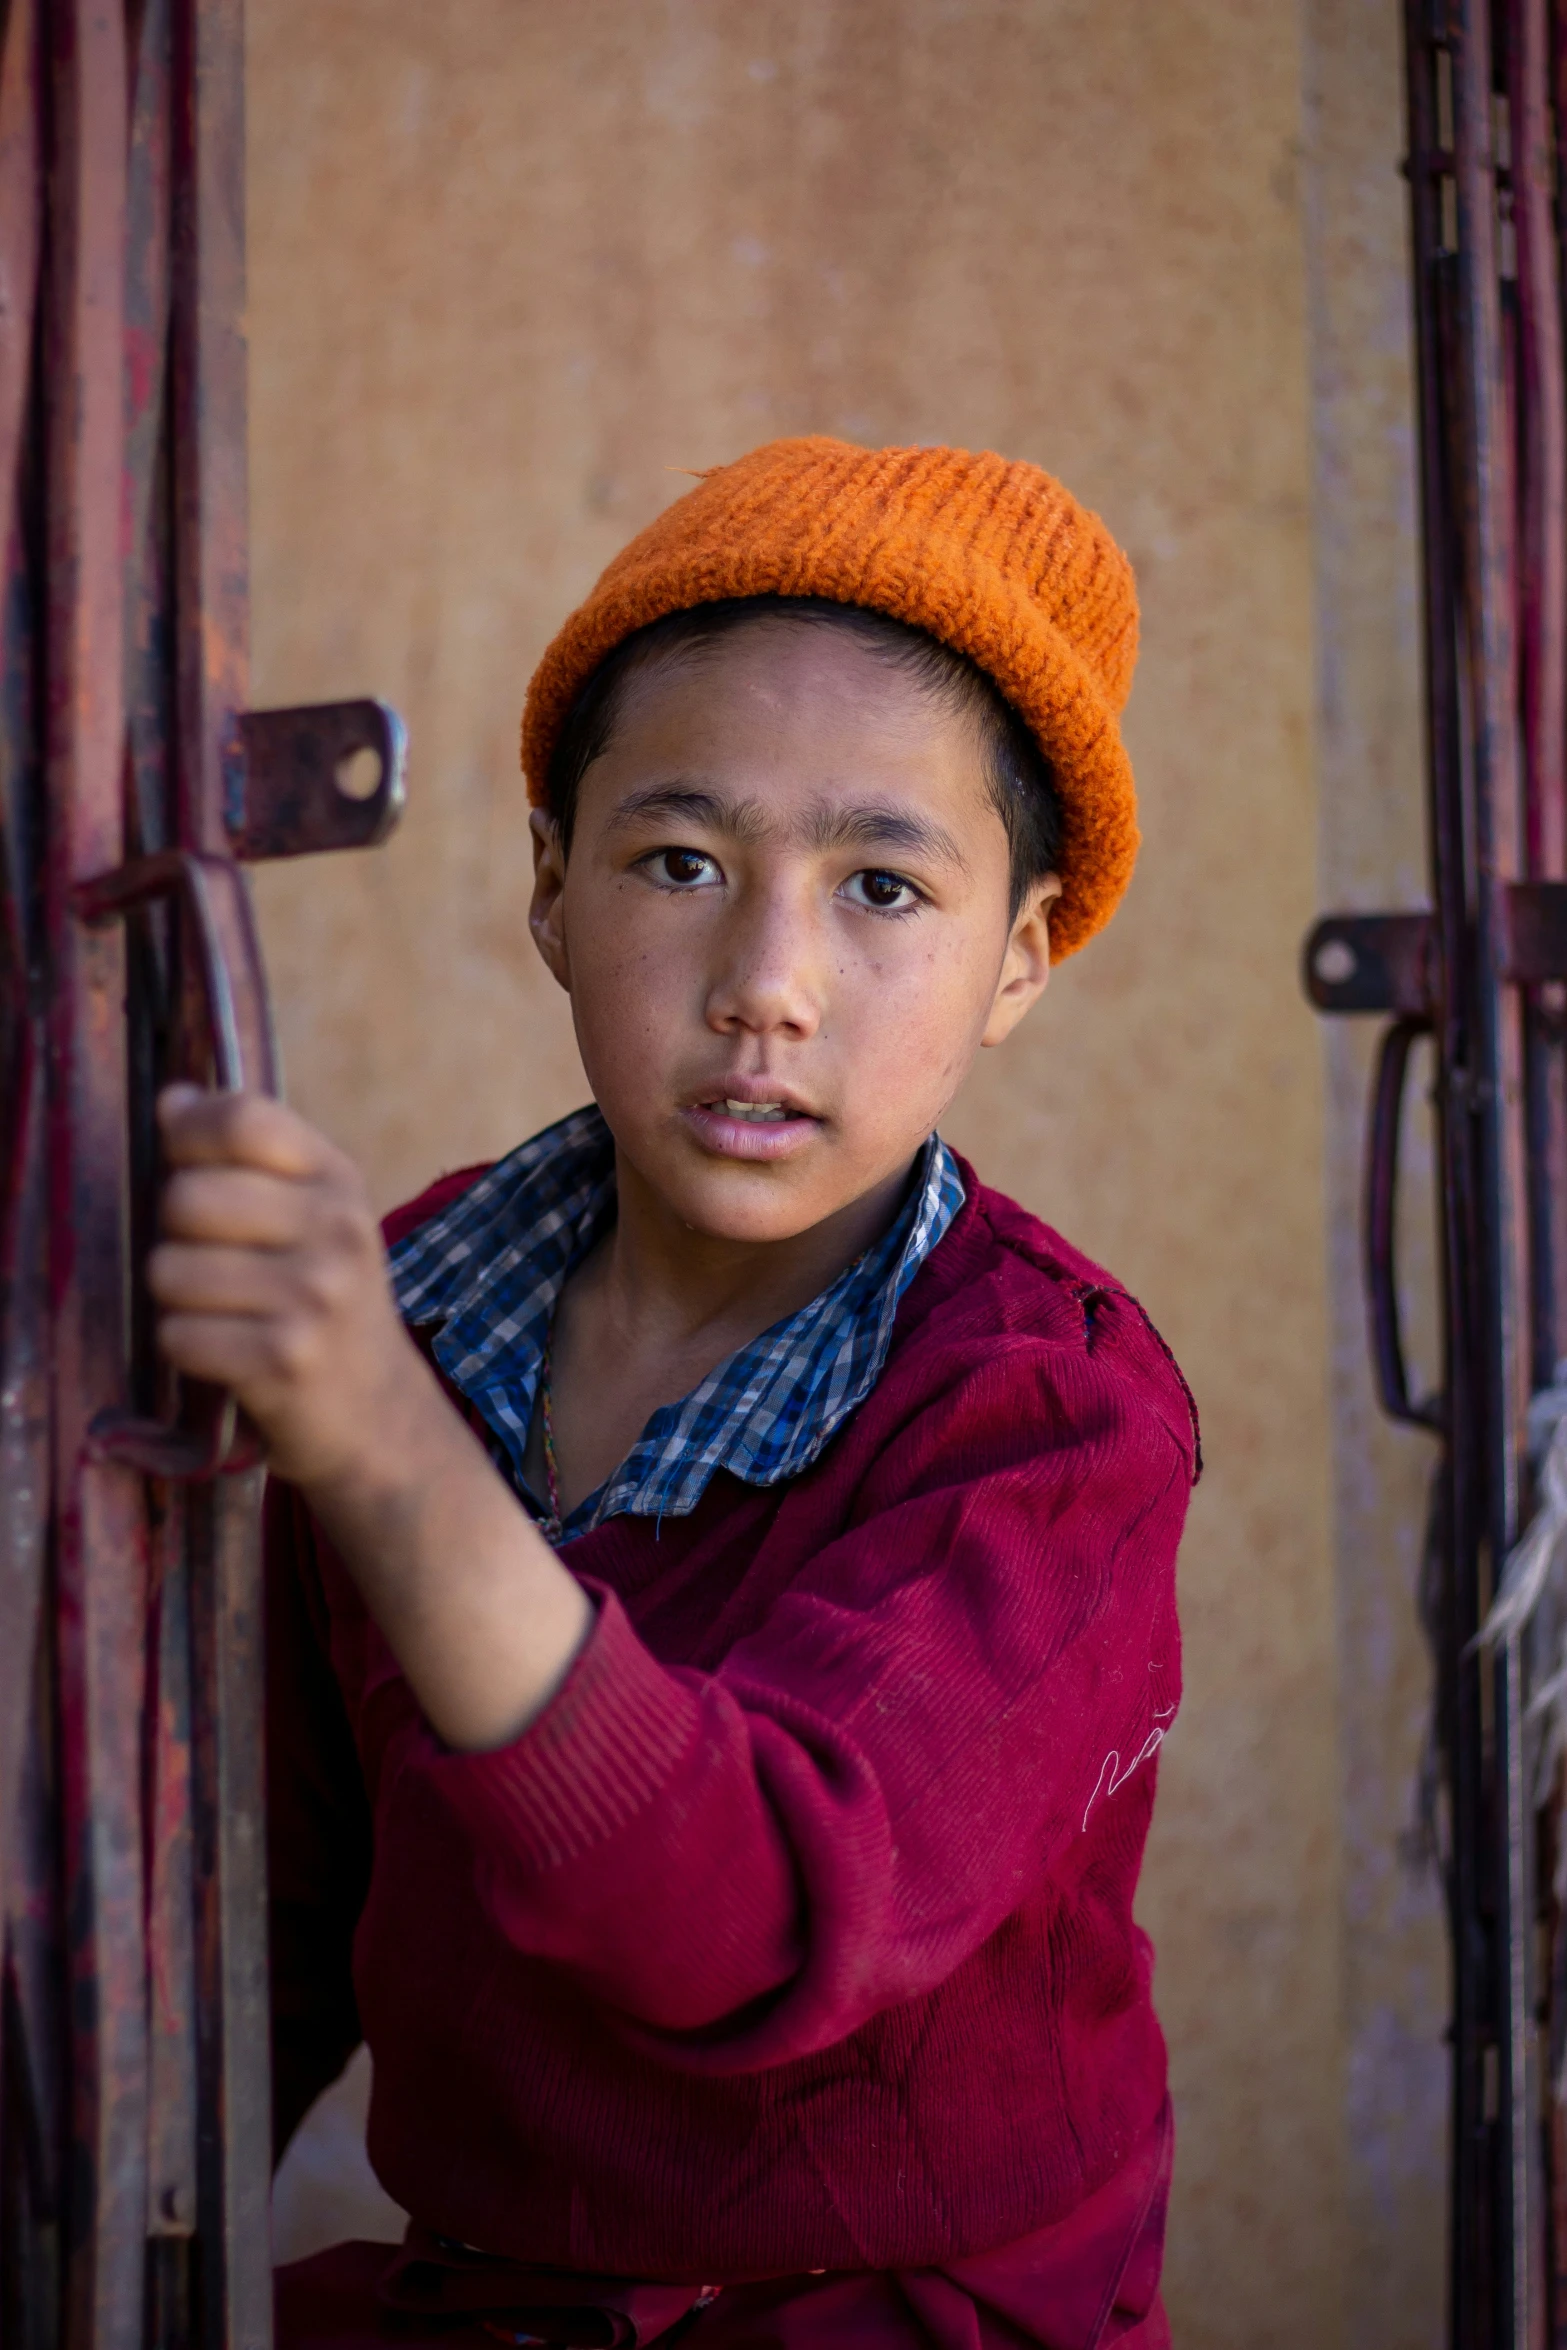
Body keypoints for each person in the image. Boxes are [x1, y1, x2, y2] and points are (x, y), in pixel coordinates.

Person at [151, 437, 1199, 2348]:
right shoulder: (415, 1297)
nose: (768, 982)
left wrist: (380, 1443)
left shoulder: (1050, 1419)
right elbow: (275, 1923)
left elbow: (763, 1916)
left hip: (886, 2311)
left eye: (884, 884)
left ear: (1022, 956)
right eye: (681, 859)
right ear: (552, 884)